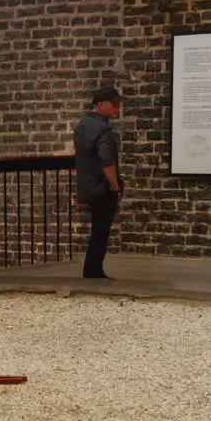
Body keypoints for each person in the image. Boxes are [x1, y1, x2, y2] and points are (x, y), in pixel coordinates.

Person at [74, 86, 123, 279]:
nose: (117, 110)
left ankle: (91, 269)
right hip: (102, 187)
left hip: (87, 184)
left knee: (97, 230)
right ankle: (93, 271)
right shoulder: (102, 128)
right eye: (114, 105)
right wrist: (114, 185)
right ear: (101, 104)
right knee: (101, 231)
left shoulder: (82, 125)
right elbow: (106, 160)